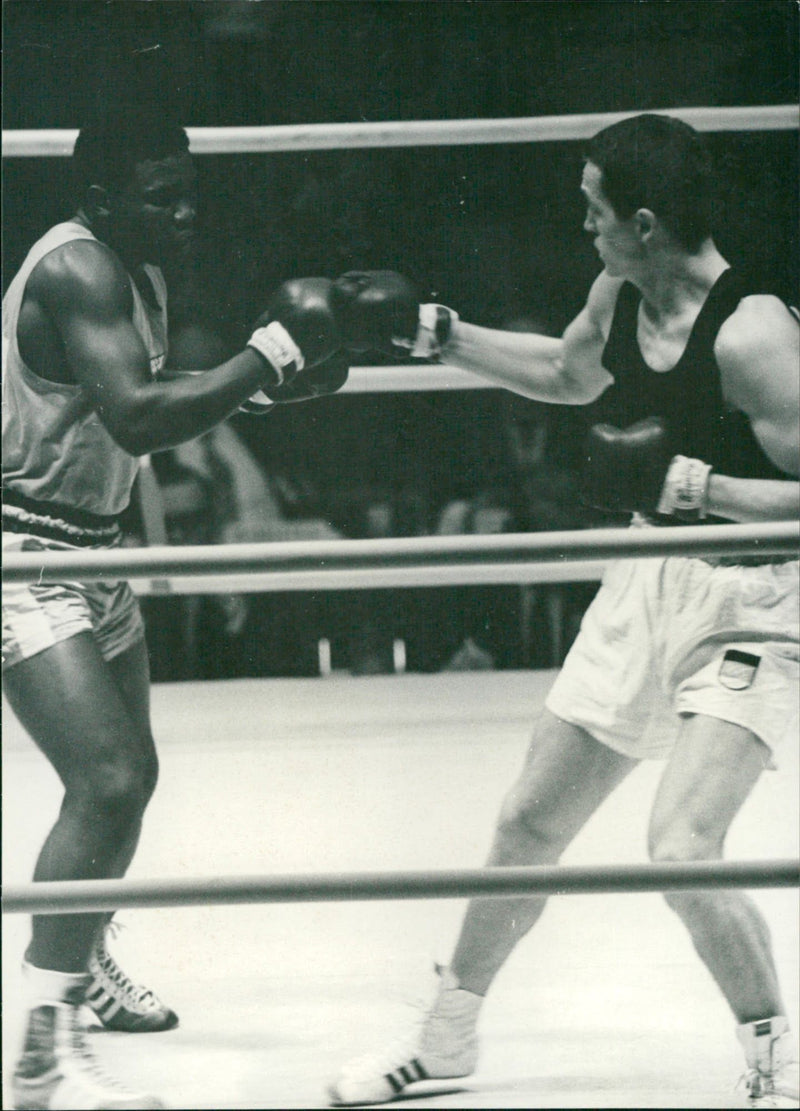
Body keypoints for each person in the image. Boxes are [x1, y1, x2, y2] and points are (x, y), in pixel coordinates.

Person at [325, 114, 800, 1107]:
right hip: (646, 578)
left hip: (755, 601)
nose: (580, 227)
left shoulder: (754, 333)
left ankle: (773, 1060)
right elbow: (561, 372)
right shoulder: (617, 293)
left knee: (678, 851)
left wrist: (689, 483)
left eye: (592, 210)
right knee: (529, 820)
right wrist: (432, 333)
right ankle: (448, 1035)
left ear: (640, 220)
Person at [1, 102, 389, 1111]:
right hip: (23, 548)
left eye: (188, 195)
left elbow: (138, 387)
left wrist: (267, 388)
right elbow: (135, 414)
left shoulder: (137, 268)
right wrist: (264, 354)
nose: (182, 216)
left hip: (93, 540)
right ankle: (41, 1056)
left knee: (131, 775)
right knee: (111, 779)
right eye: (160, 199)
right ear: (99, 198)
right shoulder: (78, 266)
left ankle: (78, 958)